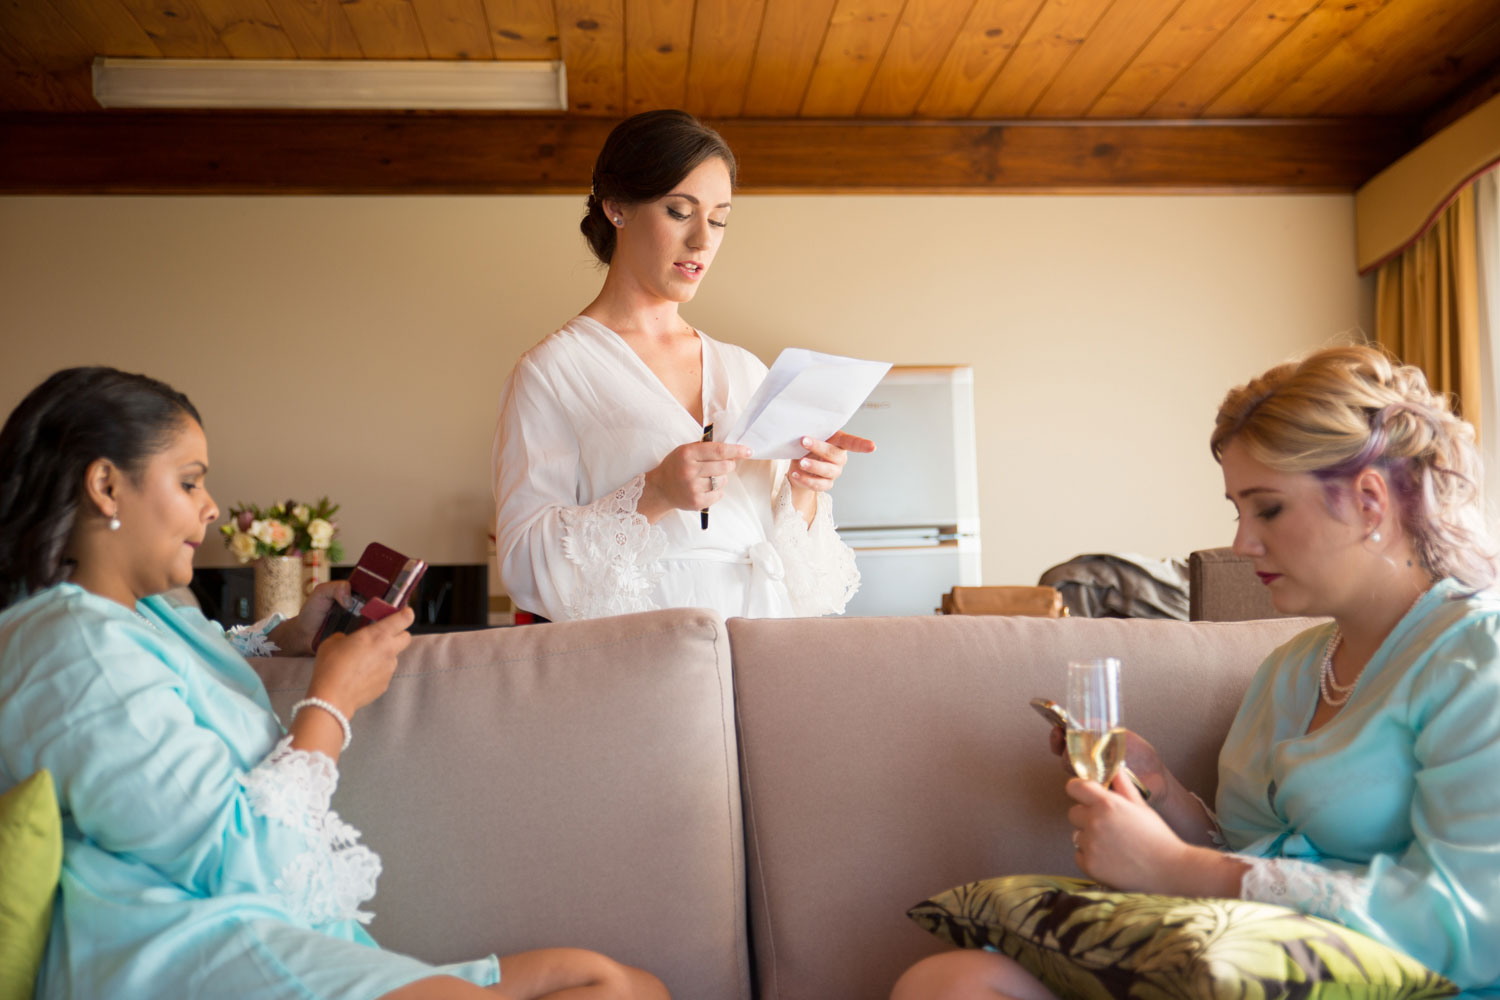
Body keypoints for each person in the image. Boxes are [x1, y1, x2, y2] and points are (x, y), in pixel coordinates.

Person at [0, 367, 669, 1000]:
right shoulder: (72, 648)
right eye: (189, 482)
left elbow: (177, 665)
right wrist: (332, 701)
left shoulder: (134, 616)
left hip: (258, 928)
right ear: (106, 486)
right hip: (192, 949)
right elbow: (243, 862)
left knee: (618, 984)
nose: (211, 509)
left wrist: (285, 637)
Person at [892, 344, 1500, 1000]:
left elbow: (1471, 925)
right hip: (1236, 966)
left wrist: (1171, 866)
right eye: (1237, 510)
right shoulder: (1292, 670)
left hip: (1404, 982)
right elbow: (1244, 850)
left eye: (1266, 508)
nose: (1241, 542)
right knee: (954, 981)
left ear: (1370, 501)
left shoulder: (1476, 655)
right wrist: (1163, 795)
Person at [492, 109, 873, 623]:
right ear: (617, 208)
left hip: (760, 639)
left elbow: (797, 570)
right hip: (646, 649)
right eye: (679, 211)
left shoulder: (745, 370)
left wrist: (805, 487)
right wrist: (656, 493)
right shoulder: (552, 372)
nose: (703, 240)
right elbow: (522, 565)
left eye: (718, 219)